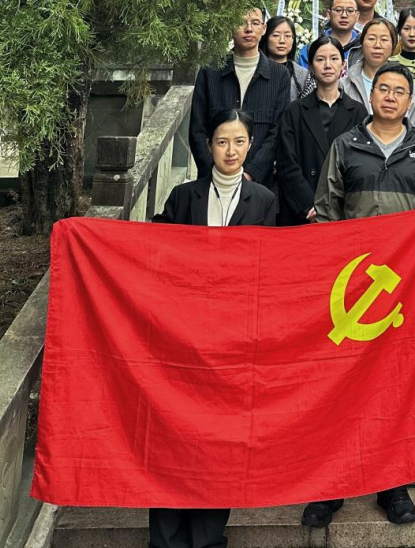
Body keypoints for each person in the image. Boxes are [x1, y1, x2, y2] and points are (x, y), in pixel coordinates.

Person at [304, 63, 415, 530]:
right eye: (383, 89)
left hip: (403, 291)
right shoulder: (345, 145)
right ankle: (331, 486)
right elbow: (325, 210)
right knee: (340, 387)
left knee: (394, 387)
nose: (390, 96)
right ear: (370, 95)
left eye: (399, 91)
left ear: (411, 100)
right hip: (349, 291)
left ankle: (393, 484)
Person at [150, 108, 276, 548]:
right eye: (222, 141)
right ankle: (165, 538)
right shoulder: (184, 196)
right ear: (209, 146)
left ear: (250, 146)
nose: (230, 150)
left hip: (234, 339)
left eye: (239, 141)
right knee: (173, 435)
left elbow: (270, 267)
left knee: (220, 440)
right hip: (182, 336)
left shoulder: (264, 200)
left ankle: (207, 537)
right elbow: (155, 250)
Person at [188, 8, 290, 189]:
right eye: (241, 22)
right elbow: (197, 128)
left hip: (258, 186)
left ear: (264, 29)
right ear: (230, 27)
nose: (249, 29)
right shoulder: (210, 71)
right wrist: (214, 171)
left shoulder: (279, 75)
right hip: (212, 182)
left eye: (255, 23)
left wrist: (251, 174)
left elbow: (277, 132)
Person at [275, 35, 365, 226]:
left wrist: (333, 206)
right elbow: (286, 163)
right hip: (301, 211)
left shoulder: (358, 112)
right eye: (320, 59)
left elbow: (361, 165)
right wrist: (309, 206)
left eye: (334, 58)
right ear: (310, 66)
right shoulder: (294, 111)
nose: (327, 65)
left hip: (342, 211)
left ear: (343, 65)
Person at [345, 17, 415, 127]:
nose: (377, 45)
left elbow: (413, 127)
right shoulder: (345, 84)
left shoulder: (406, 83)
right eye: (371, 39)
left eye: (384, 40)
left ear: (393, 45)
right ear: (362, 43)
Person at [259, 15, 308, 100]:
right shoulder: (255, 70)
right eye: (276, 35)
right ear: (266, 38)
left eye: (287, 36)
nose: (282, 41)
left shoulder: (303, 75)